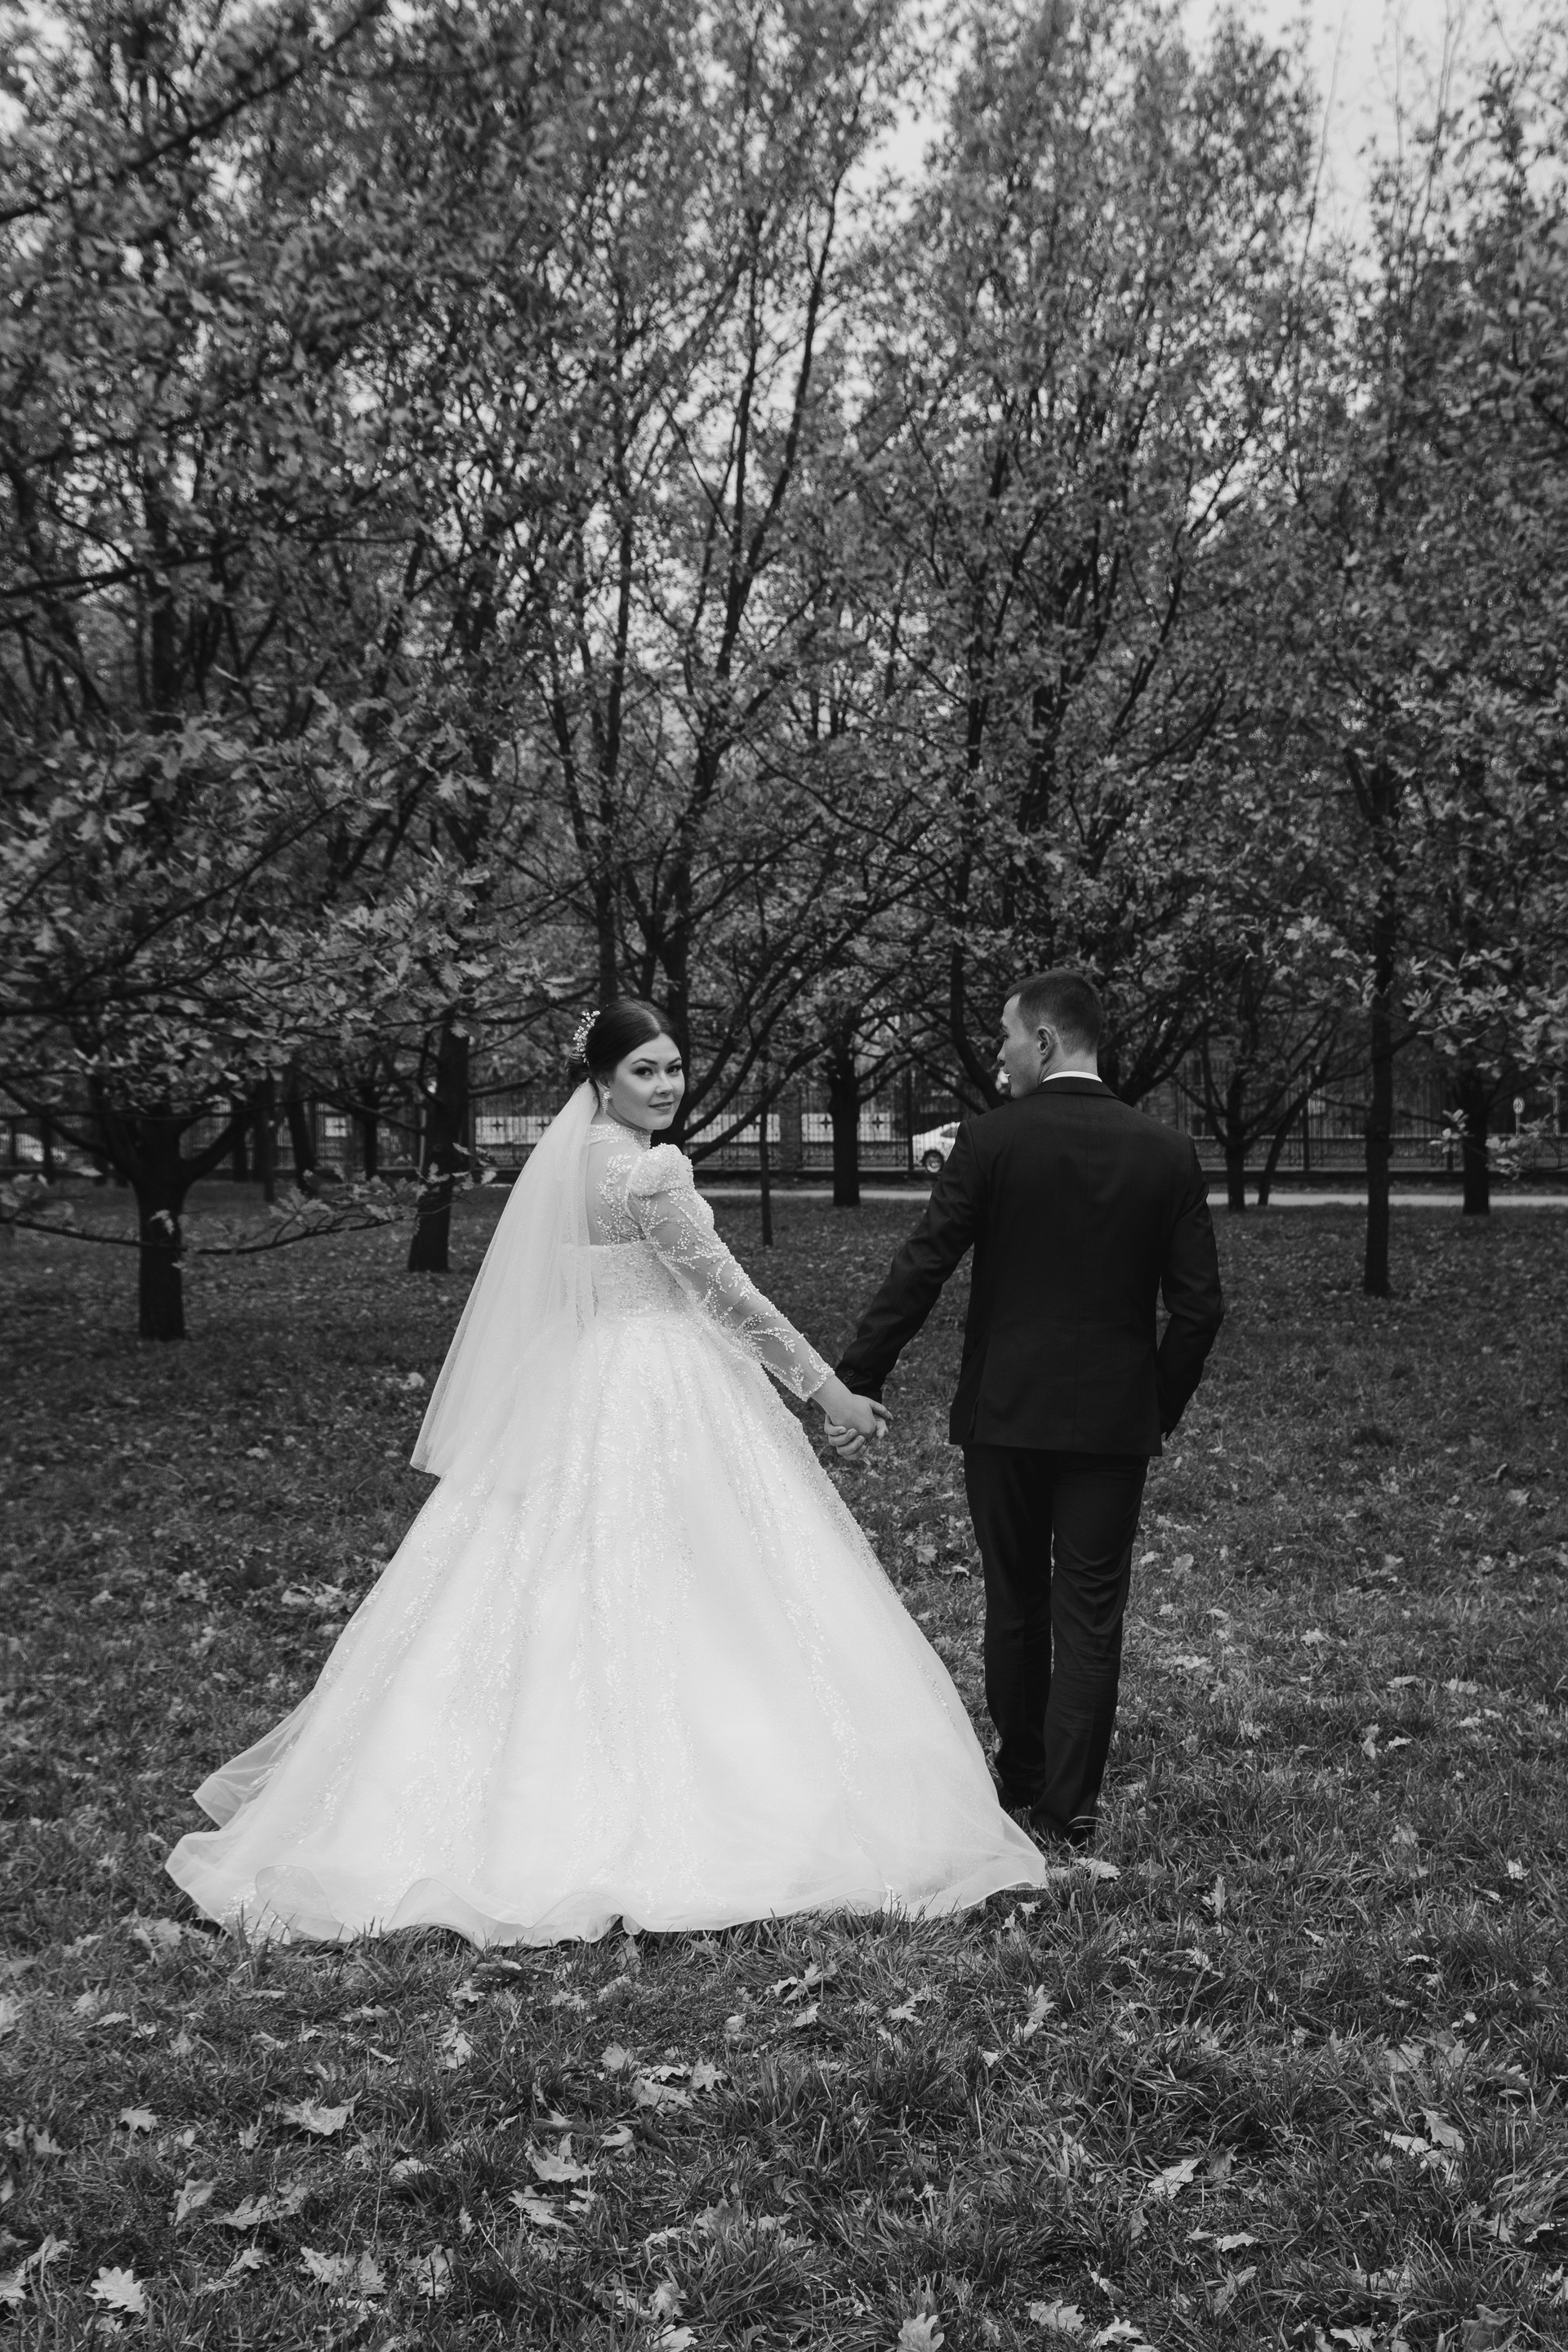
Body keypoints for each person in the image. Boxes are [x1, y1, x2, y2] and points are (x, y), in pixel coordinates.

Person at [165, 1000, 1045, 1944]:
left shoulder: (575, 1161)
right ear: (603, 1078)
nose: (665, 1086)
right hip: (662, 1379)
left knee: (540, 1573)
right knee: (706, 1573)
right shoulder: (651, 1172)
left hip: (580, 1377)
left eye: (673, 1068)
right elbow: (728, 1294)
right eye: (644, 1071)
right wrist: (827, 1391)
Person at [828, 971, 1224, 1849]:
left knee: (1015, 1602)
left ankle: (1021, 1777)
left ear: (1044, 1041)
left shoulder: (991, 1140)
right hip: (1112, 1423)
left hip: (1005, 1414)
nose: (1000, 1054)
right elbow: (1200, 1310)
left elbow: (924, 1265)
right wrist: (1151, 1406)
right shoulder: (1166, 1151)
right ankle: (1066, 1812)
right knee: (1091, 1616)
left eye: (1007, 1035)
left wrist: (862, 1374)